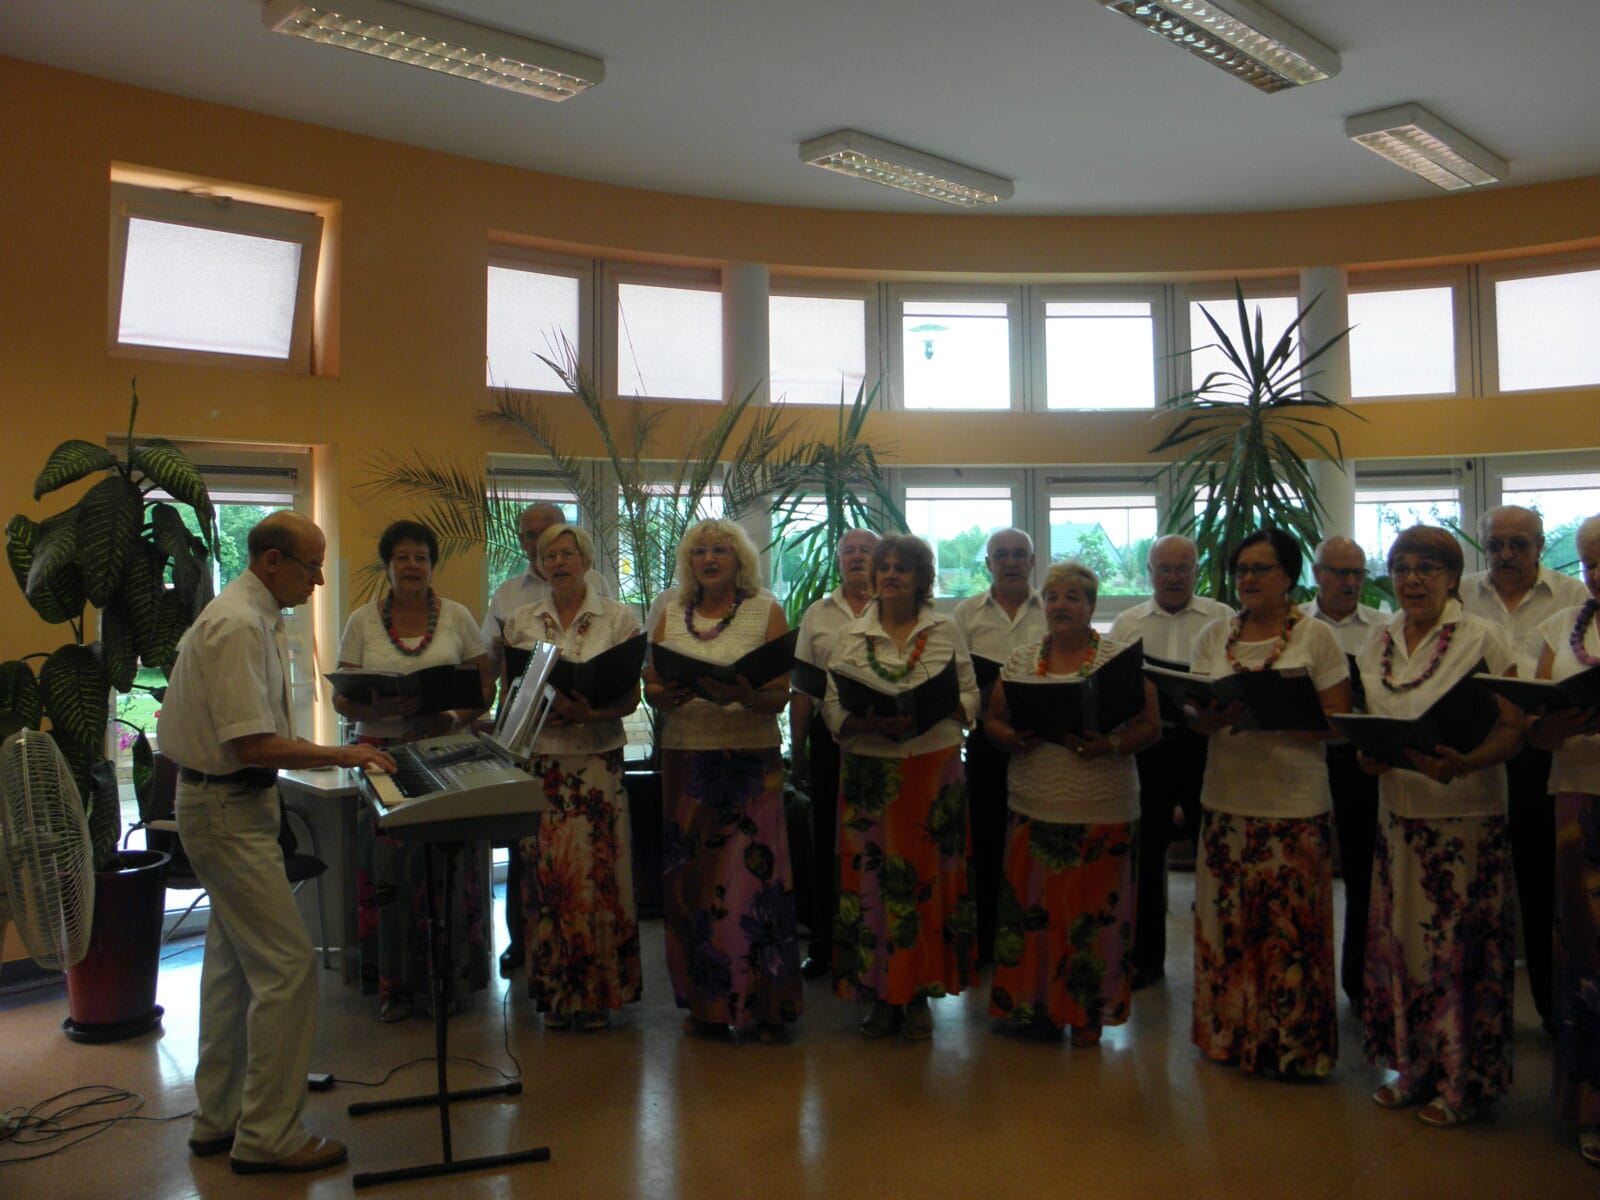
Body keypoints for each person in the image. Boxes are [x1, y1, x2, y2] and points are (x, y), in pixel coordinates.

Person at [158, 512, 395, 1176]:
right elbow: (251, 744)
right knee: (289, 969)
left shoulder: (253, 615)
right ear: (271, 561)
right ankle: (268, 1135)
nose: (318, 580)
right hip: (225, 809)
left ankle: (220, 1116)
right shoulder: (238, 624)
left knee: (232, 970)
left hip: (229, 805)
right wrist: (343, 753)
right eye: (311, 566)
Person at [1356, 525, 1523, 1128]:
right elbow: (1371, 719)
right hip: (1399, 816)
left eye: (1427, 568)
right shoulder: (1378, 639)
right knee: (1404, 947)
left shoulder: (1482, 636)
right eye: (1402, 568)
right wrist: (1368, 755)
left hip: (1466, 819)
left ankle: (1462, 1083)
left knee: (1457, 954)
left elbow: (1513, 728)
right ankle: (1411, 1069)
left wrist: (1465, 763)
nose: (1412, 579)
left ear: (1453, 578)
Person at [1186, 529, 1350, 1078]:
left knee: (1288, 931)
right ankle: (1229, 1034)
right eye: (1241, 570)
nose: (1249, 579)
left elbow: (1339, 722)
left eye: (1261, 568)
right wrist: (1204, 718)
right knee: (1227, 924)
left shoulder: (1316, 636)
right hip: (1226, 797)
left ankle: (1293, 1046)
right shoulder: (1215, 634)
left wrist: (1286, 715)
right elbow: (1195, 710)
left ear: (1289, 576)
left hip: (1293, 803)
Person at [982, 561, 1161, 1044]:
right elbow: (992, 720)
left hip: (1103, 806)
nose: (1061, 605)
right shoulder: (1021, 660)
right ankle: (1034, 1007)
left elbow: (1150, 727)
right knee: (1034, 913)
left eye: (1072, 597)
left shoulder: (1118, 661)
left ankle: (1088, 1014)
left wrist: (1113, 745)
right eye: (1053, 597)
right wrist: (1008, 738)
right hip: (1035, 804)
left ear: (1091, 605)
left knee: (1095, 917)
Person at [645, 517, 801, 1043]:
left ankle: (767, 1005)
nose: (709, 559)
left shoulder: (766, 609)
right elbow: (651, 685)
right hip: (686, 760)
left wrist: (743, 695)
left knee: (754, 884)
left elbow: (779, 694)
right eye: (700, 552)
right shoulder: (670, 612)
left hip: (750, 762)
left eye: (720, 550)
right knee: (690, 883)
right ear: (689, 562)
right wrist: (662, 694)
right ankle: (706, 1005)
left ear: (740, 561)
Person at [333, 519, 494, 1023]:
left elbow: (484, 690)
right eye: (402, 557)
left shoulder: (458, 617)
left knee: (447, 869)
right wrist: (378, 707)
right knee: (389, 873)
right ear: (387, 566)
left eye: (421, 557)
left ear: (432, 565)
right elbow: (341, 699)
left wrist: (447, 717)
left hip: (446, 753)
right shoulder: (362, 621)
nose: (411, 565)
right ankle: (395, 987)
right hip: (380, 757)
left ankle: (449, 982)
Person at [822, 534, 980, 1041]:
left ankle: (920, 990)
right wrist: (864, 722)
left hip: (933, 769)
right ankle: (880, 993)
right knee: (873, 884)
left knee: (927, 881)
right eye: (883, 568)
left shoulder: (945, 628)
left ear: (921, 579)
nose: (891, 575)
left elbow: (971, 693)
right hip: (871, 773)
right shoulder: (851, 633)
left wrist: (950, 705)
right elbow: (832, 705)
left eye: (902, 568)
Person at [503, 523, 643, 1031]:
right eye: (550, 556)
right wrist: (542, 710)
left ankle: (598, 993)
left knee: (598, 876)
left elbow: (631, 697)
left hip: (597, 761)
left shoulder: (619, 617)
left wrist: (588, 712)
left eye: (568, 553)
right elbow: (511, 695)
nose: (559, 562)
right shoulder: (521, 621)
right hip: (542, 764)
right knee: (549, 879)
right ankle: (557, 993)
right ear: (540, 565)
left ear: (585, 560)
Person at [1460, 504, 1588, 1031]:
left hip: (1543, 755)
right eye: (1496, 544)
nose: (1506, 554)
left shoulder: (1573, 596)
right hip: (1476, 755)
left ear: (1540, 545)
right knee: (1475, 885)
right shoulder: (1460, 594)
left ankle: (1548, 1010)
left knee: (1540, 885)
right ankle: (1477, 1012)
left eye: (1519, 544)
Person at [480, 502, 612, 979]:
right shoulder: (511, 602)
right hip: (532, 746)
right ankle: (530, 953)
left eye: (555, 541)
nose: (544, 549)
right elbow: (494, 668)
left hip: (591, 750)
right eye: (532, 538)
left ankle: (592, 966)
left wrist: (588, 706)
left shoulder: (605, 598)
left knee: (591, 862)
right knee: (532, 857)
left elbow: (615, 671)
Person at [1108, 534, 1233, 989]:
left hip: (1209, 747)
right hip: (1151, 748)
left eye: (1183, 569)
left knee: (1216, 854)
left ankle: (1221, 958)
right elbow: (1115, 687)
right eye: (1164, 569)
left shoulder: (1222, 618)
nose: (1174, 577)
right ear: (1150, 573)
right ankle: (1145, 960)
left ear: (1196, 571)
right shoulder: (1128, 623)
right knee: (1146, 855)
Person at [1528, 513, 1600, 1165]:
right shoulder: (1560, 628)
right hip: (1579, 797)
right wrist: (1547, 731)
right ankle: (1589, 1106)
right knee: (1583, 951)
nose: (1598, 574)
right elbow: (1538, 723)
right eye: (1590, 563)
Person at [953, 528, 1046, 965]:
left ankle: (1036, 933)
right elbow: (956, 678)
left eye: (1019, 554)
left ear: (1032, 561)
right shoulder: (966, 613)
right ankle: (988, 938)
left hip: (1044, 741)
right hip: (987, 739)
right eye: (1002, 555)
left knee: (1037, 838)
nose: (1010, 562)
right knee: (988, 837)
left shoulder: (1051, 608)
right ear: (988, 563)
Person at [790, 527, 880, 978]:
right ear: (839, 560)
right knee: (828, 839)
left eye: (865, 550)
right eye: (849, 551)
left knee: (878, 840)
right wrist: (797, 748)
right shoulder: (818, 613)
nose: (857, 557)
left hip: (885, 739)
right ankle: (826, 945)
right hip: (830, 738)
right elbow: (803, 688)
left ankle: (877, 942)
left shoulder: (897, 607)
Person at [1306, 535, 1385, 1008]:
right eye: (1340, 573)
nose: (1351, 582)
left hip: (1358, 759)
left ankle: (1358, 981)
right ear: (1317, 574)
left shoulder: (1383, 627)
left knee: (1361, 870)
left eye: (1358, 573)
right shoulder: (1295, 625)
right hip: (1306, 756)